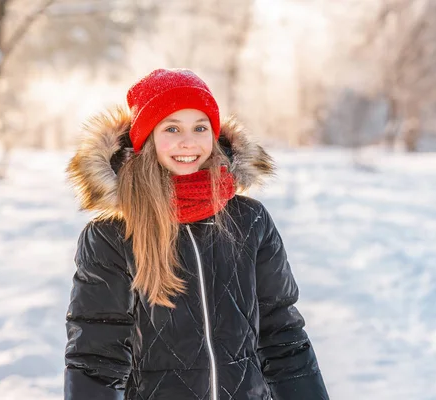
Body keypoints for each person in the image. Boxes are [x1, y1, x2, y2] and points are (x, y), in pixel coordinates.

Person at [64, 68, 330, 400]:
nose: (188, 141)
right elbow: (96, 358)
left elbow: (283, 335)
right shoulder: (111, 235)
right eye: (172, 128)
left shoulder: (249, 219)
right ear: (147, 139)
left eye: (200, 127)